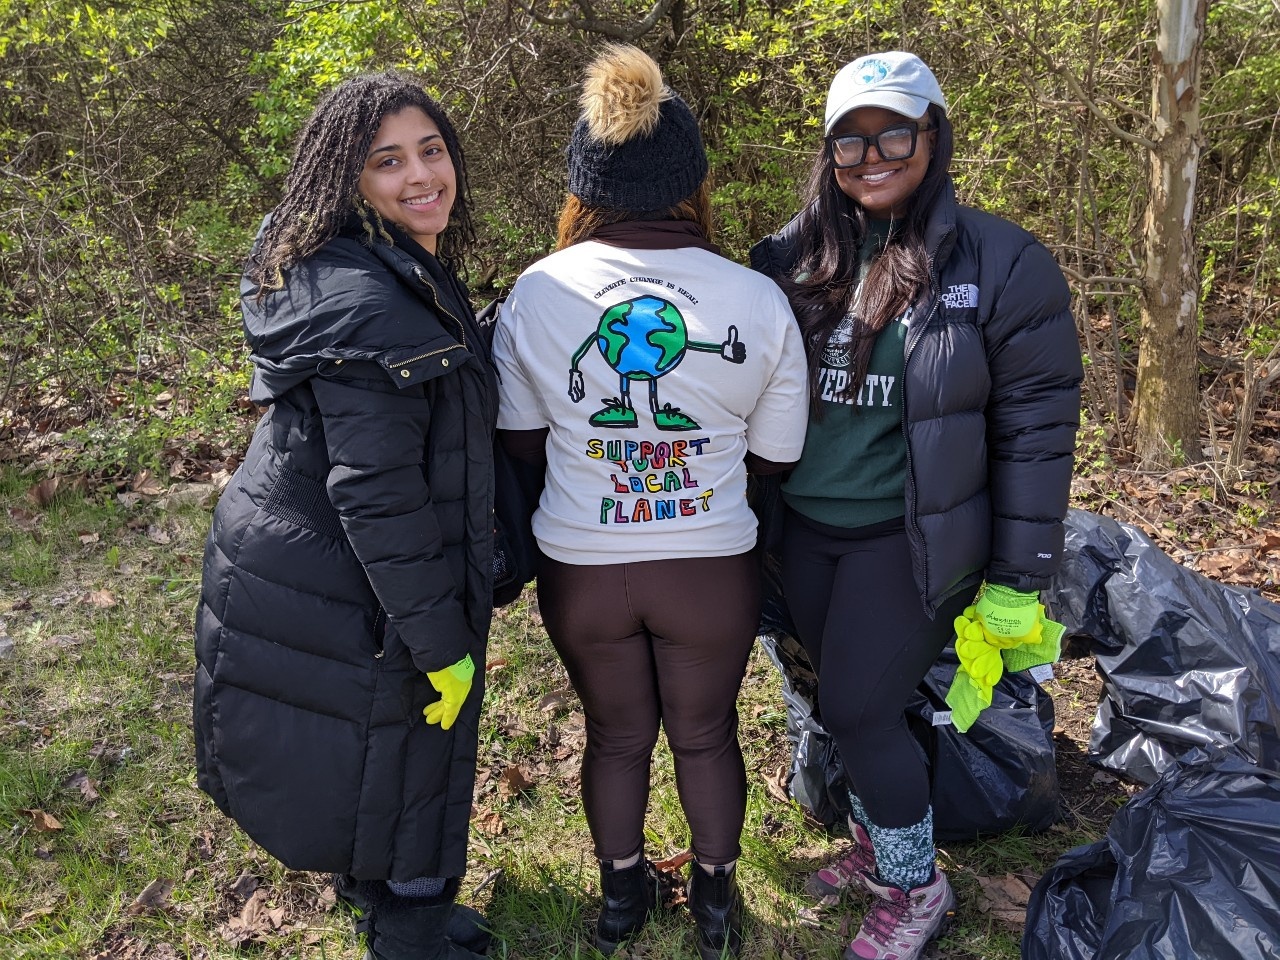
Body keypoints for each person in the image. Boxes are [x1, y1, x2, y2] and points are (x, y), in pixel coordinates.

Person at [750, 51, 1083, 960]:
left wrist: (1021, 577)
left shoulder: (1003, 262)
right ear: (828, 153)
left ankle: (915, 886)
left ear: (933, 135)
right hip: (804, 533)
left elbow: (1036, 433)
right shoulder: (789, 258)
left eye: (894, 131)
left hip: (913, 545)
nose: (872, 155)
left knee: (859, 710)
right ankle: (873, 844)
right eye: (850, 139)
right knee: (840, 709)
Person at [492, 44, 808, 960]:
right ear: (692, 183)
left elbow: (520, 442)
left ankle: (622, 899)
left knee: (616, 736)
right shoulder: (756, 297)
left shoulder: (536, 293)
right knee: (706, 736)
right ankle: (715, 903)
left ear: (583, 187)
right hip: (709, 566)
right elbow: (776, 457)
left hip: (583, 569)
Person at [193, 72, 498, 960]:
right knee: (412, 742)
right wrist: (444, 644)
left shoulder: (353, 263)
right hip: (344, 567)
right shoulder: (369, 307)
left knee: (376, 736)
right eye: (387, 161)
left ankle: (385, 899)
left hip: (312, 557)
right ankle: (409, 930)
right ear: (346, 180)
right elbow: (379, 495)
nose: (421, 177)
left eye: (431, 151)